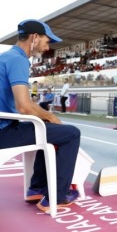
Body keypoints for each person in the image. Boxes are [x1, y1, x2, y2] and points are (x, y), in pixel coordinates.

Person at [0, 19, 80, 212]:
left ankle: (36, 188)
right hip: (4, 132)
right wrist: (51, 117)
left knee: (47, 129)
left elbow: (24, 104)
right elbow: (24, 107)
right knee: (71, 134)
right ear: (34, 38)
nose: (47, 47)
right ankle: (58, 196)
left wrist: (44, 116)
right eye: (47, 41)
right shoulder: (18, 60)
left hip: (5, 126)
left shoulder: (5, 57)